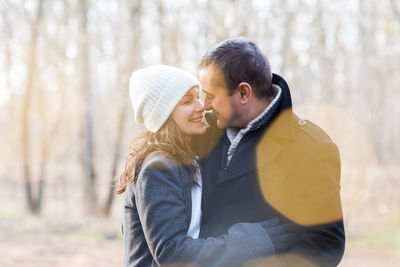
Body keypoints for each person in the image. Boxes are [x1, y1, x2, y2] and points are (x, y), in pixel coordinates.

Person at [117, 65, 298, 267]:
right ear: (163, 114)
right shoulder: (158, 168)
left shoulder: (186, 157)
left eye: (197, 96)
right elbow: (172, 252)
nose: (201, 106)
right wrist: (257, 239)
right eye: (187, 101)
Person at [195, 38, 345, 266]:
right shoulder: (198, 130)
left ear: (244, 93)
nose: (205, 105)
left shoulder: (311, 147)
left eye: (211, 96)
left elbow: (324, 244)